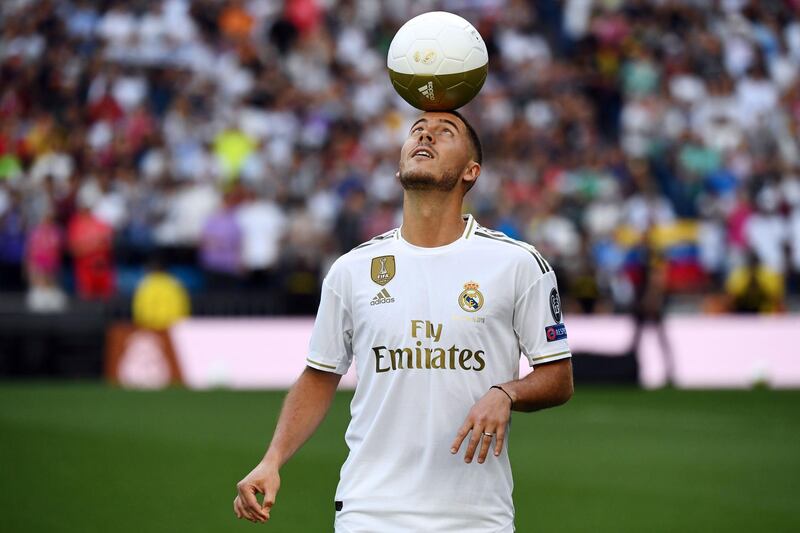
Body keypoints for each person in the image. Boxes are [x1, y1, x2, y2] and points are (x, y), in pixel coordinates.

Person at [233, 111, 574, 532]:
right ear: (398, 167)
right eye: (417, 131)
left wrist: (506, 392)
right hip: (369, 512)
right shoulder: (352, 269)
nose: (425, 134)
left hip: (475, 517)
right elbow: (319, 375)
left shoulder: (518, 264)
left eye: (445, 132)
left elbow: (559, 376)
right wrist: (272, 459)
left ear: (472, 171)